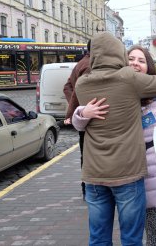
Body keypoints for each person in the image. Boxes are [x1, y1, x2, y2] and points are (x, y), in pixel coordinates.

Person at [72, 45, 156, 246]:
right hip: (120, 170)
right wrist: (83, 113)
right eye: (131, 59)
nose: (135, 63)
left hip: (150, 169)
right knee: (124, 230)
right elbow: (80, 125)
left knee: (152, 227)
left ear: (148, 67)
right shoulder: (111, 91)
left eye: (141, 60)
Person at [62, 39, 91, 200]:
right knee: (89, 155)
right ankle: (88, 189)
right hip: (90, 119)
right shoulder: (89, 65)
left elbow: (67, 87)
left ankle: (86, 188)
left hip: (83, 118)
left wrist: (74, 108)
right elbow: (77, 90)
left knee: (84, 154)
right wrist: (82, 106)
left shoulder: (80, 63)